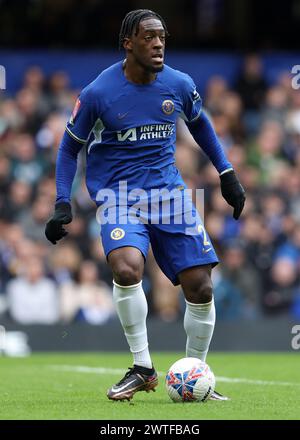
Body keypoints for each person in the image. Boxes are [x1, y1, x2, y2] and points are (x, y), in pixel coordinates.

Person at [45, 9, 245, 401]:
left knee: (201, 287)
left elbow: (200, 123)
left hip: (169, 195)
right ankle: (142, 367)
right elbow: (70, 147)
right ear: (128, 43)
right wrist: (61, 202)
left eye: (162, 38)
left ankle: (196, 377)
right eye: (149, 37)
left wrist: (226, 173)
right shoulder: (98, 93)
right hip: (119, 196)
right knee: (126, 266)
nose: (158, 44)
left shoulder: (178, 83)